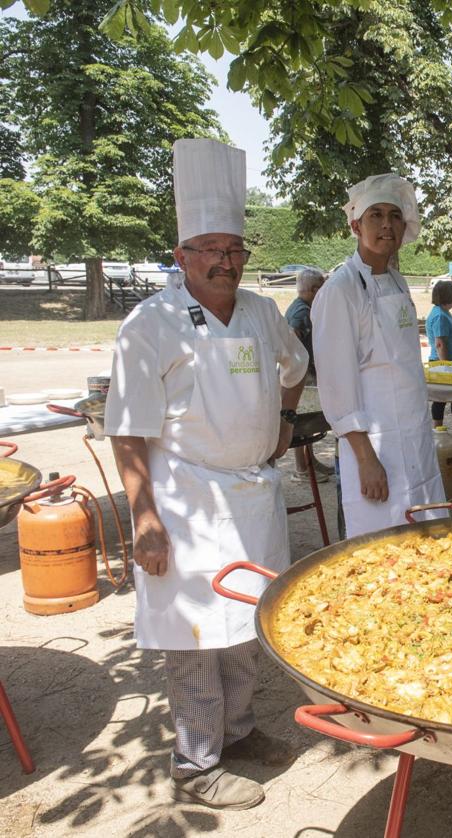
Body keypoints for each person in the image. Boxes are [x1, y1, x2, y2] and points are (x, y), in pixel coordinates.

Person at [105, 139, 306, 810]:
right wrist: (145, 518)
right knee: (192, 637)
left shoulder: (260, 311)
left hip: (252, 494)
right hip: (183, 498)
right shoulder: (150, 325)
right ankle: (195, 764)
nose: (224, 261)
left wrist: (283, 423)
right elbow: (128, 430)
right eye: (209, 249)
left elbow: (294, 367)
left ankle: (240, 733)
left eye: (235, 249)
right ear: (181, 256)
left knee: (250, 626)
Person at [311, 173, 446, 538]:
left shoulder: (398, 282)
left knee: (428, 543)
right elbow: (337, 385)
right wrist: (367, 460)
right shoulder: (340, 291)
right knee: (381, 558)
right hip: (375, 452)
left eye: (395, 215)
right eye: (376, 215)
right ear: (356, 225)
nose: (387, 224)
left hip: (415, 443)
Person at [285, 268, 331, 483]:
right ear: (314, 289)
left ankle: (310, 461)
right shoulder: (301, 312)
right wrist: (302, 365)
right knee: (302, 423)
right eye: (322, 287)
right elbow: (293, 339)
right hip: (302, 373)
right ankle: (302, 468)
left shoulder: (304, 308)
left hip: (306, 371)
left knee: (306, 426)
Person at [426, 279, 452, 430]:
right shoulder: (440, 316)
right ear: (447, 295)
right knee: (440, 399)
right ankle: (439, 431)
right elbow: (440, 343)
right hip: (442, 363)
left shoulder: (444, 313)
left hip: (449, 364)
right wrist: (447, 366)